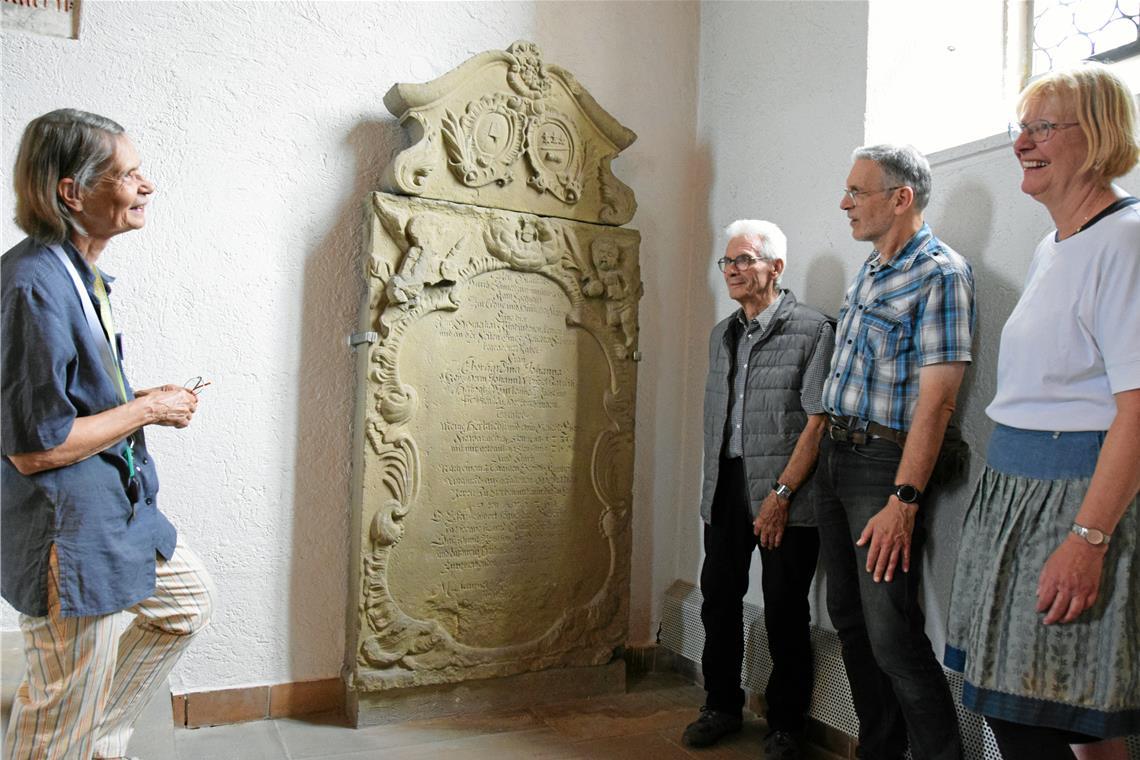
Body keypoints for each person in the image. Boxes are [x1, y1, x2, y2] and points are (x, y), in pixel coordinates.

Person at [2, 109, 213, 760]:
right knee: (53, 725)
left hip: (118, 514)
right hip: (71, 533)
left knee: (188, 602)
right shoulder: (34, 285)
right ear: (72, 192)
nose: (146, 186)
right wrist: (148, 413)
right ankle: (79, 736)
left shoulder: (77, 274)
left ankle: (103, 736)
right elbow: (35, 448)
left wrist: (137, 396)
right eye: (128, 174)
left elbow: (66, 400)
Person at [945, 64, 1139, 760]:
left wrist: (1087, 539)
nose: (1023, 141)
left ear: (1097, 137)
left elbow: (1137, 409)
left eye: (1042, 127)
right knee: (1066, 715)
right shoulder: (1052, 245)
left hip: (1073, 498)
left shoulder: (1126, 239)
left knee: (1044, 714)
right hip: (1015, 489)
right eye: (1019, 128)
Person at [817, 144, 975, 759]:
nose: (845, 203)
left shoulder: (940, 272)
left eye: (858, 192)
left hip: (884, 468)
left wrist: (904, 499)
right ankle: (880, 751)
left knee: (893, 635)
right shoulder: (871, 270)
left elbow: (937, 403)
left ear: (901, 197)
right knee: (849, 620)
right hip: (836, 456)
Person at [682, 220, 835, 760]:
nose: (733, 271)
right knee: (718, 600)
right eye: (727, 262)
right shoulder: (722, 333)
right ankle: (720, 705)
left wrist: (782, 495)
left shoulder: (816, 330)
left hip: (785, 494)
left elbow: (818, 422)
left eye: (745, 260)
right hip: (725, 484)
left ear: (776, 267)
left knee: (784, 609)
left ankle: (786, 725)